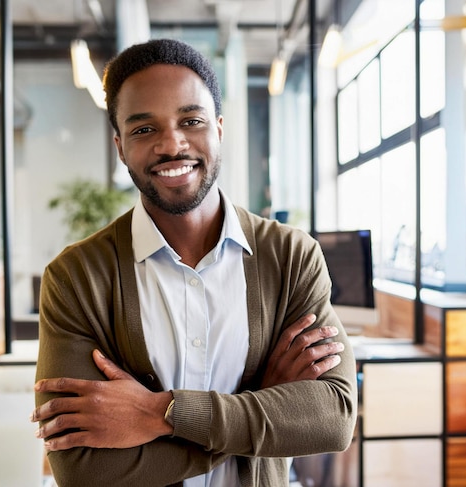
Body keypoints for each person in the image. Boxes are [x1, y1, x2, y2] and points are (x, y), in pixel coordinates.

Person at [30, 38, 357, 487]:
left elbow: (332, 417)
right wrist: (261, 402)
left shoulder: (291, 256)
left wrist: (159, 413)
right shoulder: (77, 277)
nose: (172, 143)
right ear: (121, 147)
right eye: (144, 129)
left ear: (219, 128)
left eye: (192, 120)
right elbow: (85, 469)